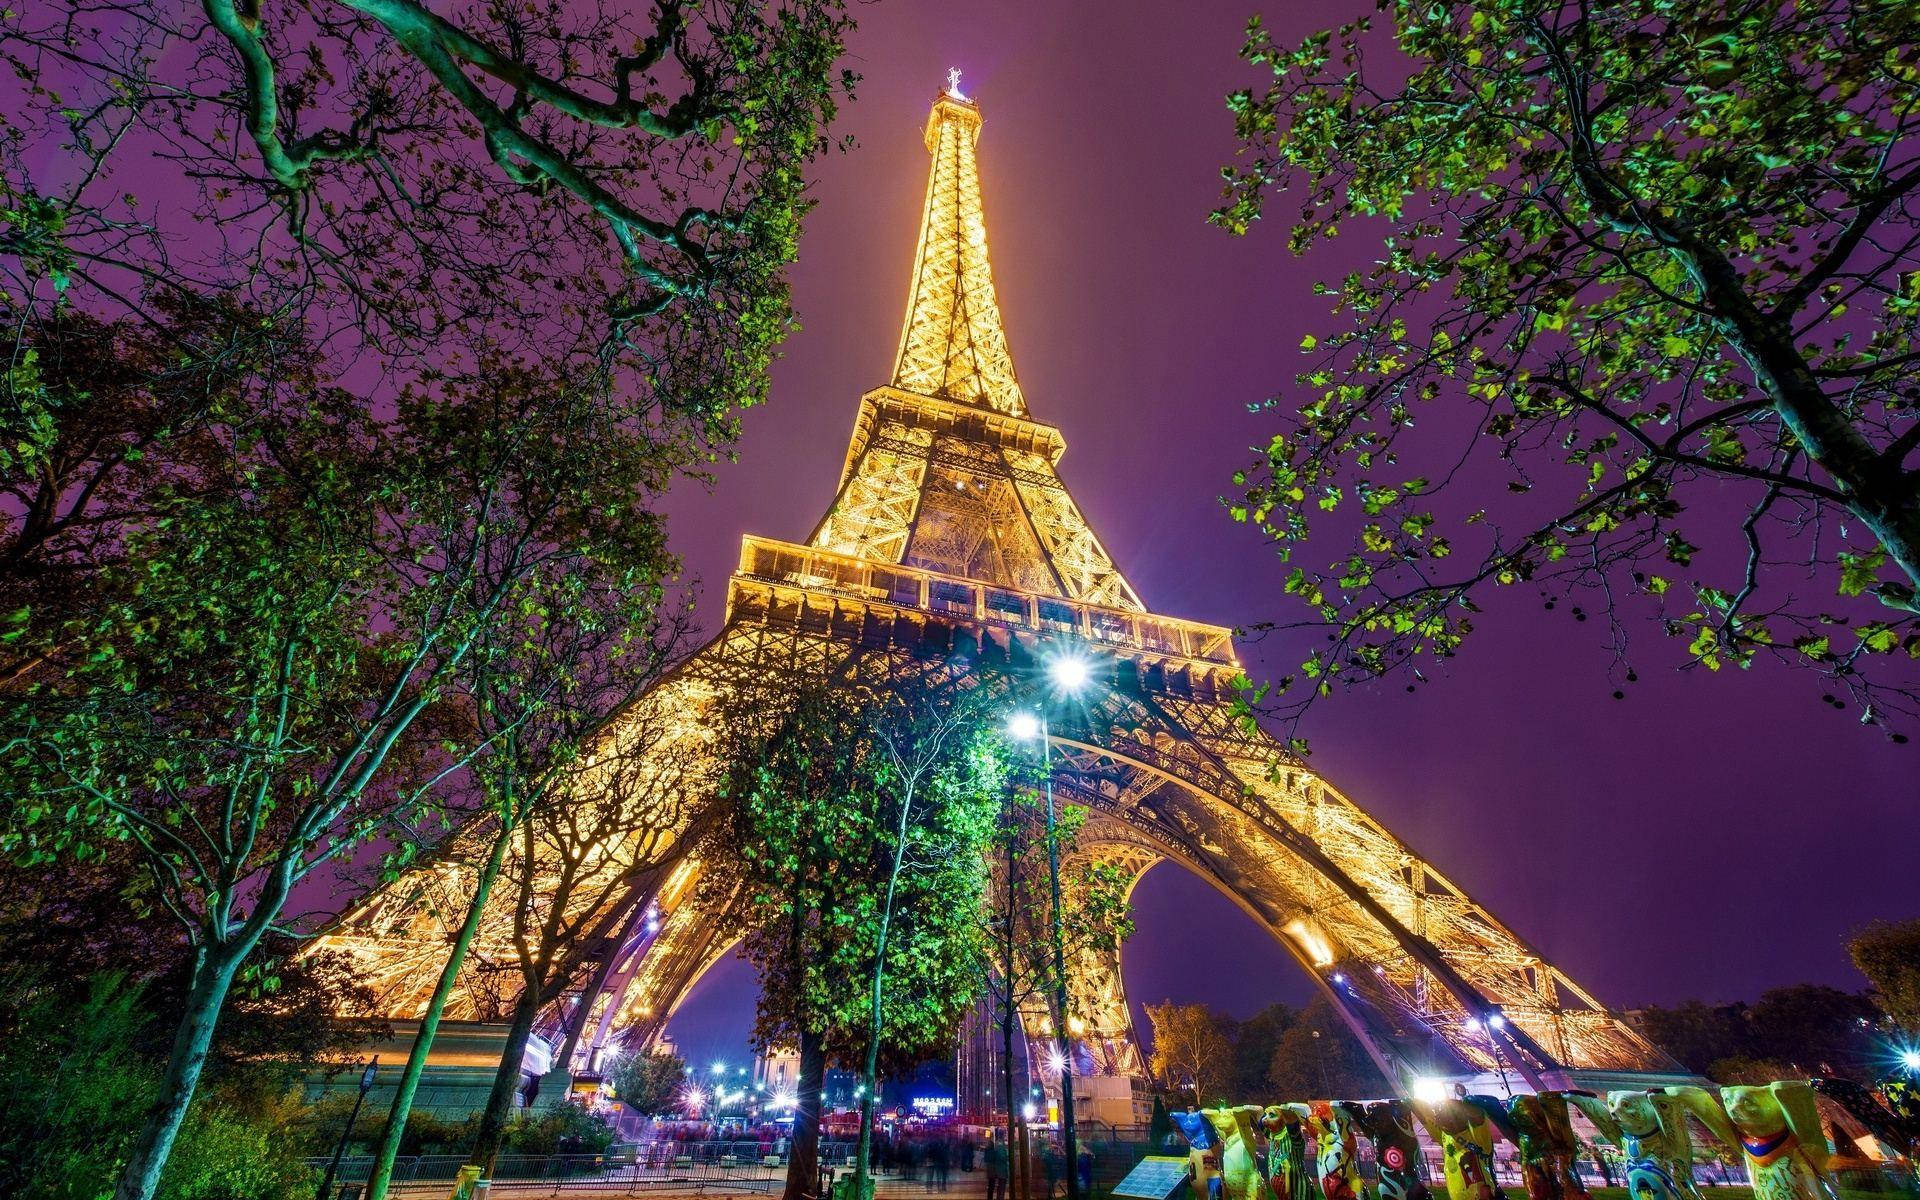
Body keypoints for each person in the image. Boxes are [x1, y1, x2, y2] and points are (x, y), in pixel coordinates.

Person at [986, 1132, 1010, 1200]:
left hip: (997, 1170)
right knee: (1001, 1187)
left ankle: (997, 1197)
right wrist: (1007, 1157)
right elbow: (1002, 1157)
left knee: (998, 1186)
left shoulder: (996, 1144)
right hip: (1001, 1169)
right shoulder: (1000, 1144)